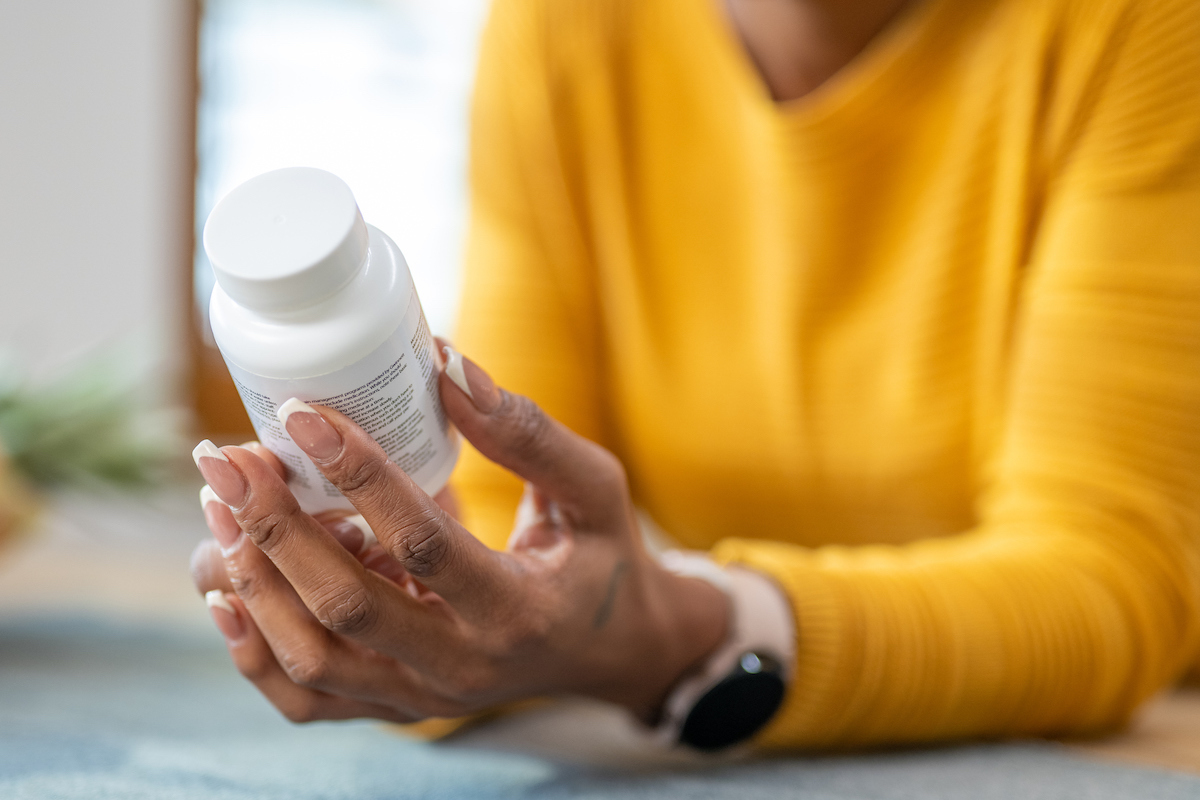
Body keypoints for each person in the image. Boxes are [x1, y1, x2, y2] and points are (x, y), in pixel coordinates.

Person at [191, 0, 1200, 750]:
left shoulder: (1139, 32)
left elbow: (1112, 582)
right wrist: (421, 617)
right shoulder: (567, 30)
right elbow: (501, 504)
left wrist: (685, 637)